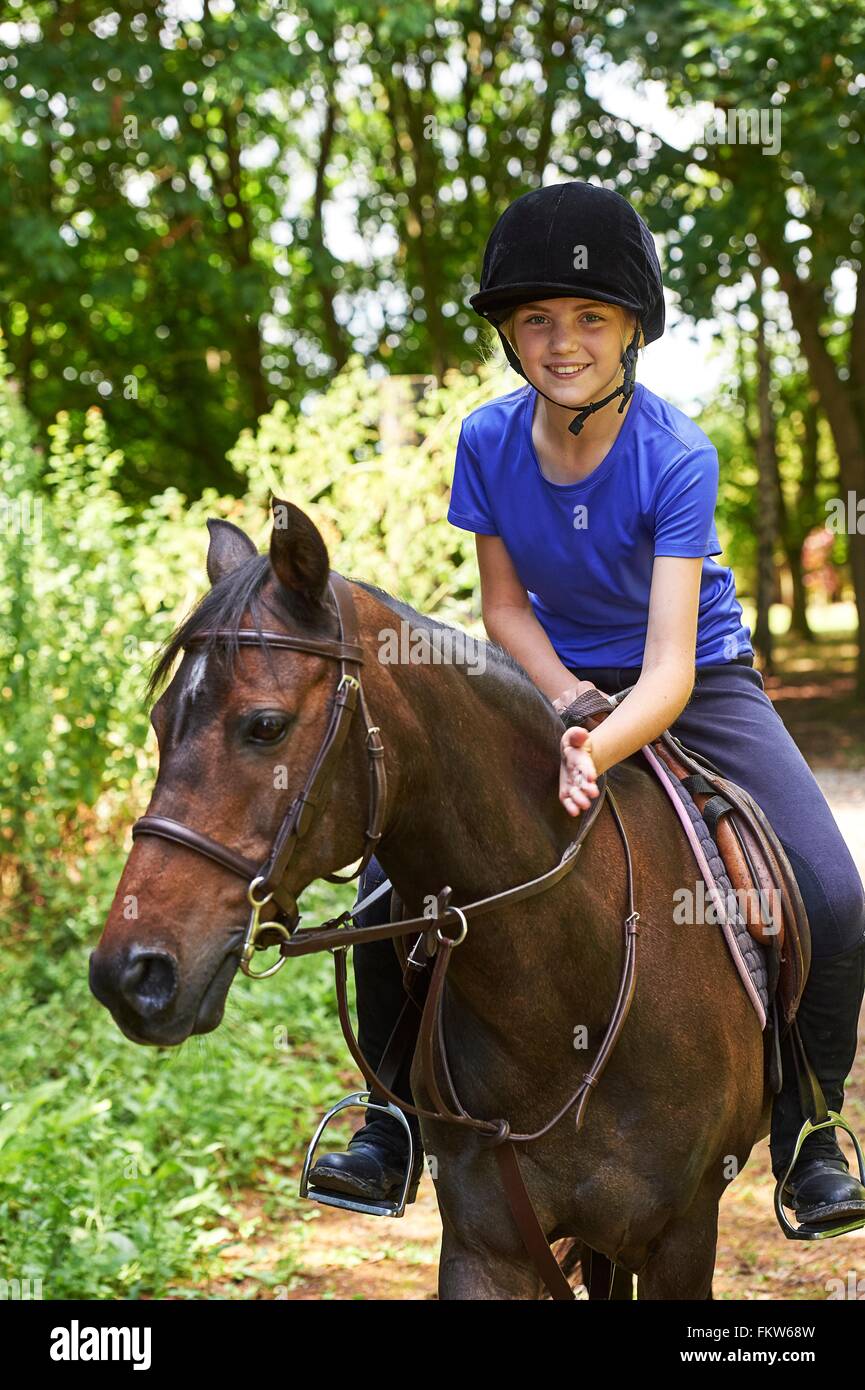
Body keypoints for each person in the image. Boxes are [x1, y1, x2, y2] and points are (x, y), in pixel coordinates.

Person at [308, 181, 865, 1234]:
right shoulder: (486, 439)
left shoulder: (678, 454)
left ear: (632, 329)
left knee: (833, 897)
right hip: (545, 669)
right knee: (389, 887)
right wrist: (559, 700)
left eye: (589, 317)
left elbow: (668, 669)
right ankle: (392, 1126)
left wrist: (593, 745)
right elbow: (503, 605)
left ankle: (805, 1132)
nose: (562, 341)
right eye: (535, 319)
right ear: (511, 334)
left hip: (692, 680)